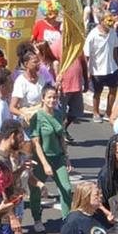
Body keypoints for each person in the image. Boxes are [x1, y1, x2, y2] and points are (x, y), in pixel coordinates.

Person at [31, 85, 73, 219]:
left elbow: (61, 137)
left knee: (66, 188)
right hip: (41, 159)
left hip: (58, 158)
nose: (52, 100)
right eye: (49, 97)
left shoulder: (59, 114)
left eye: (55, 97)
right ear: (43, 99)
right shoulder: (37, 117)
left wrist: (66, 157)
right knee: (37, 190)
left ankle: (67, 219)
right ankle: (37, 218)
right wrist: (44, 164)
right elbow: (36, 142)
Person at [84, 13, 118, 123]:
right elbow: (87, 55)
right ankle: (96, 112)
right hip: (97, 69)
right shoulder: (93, 35)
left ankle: (109, 112)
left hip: (112, 67)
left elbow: (115, 50)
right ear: (101, 21)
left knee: (113, 90)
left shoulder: (113, 32)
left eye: (111, 20)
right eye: (107, 20)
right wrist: (88, 71)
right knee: (97, 92)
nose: (110, 23)